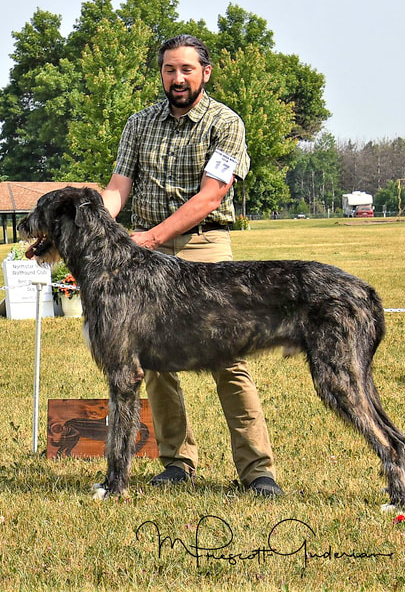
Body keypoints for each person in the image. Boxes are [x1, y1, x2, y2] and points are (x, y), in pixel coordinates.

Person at [99, 35, 282, 497]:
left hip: (204, 249)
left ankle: (258, 471)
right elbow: (119, 188)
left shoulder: (226, 123)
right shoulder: (138, 124)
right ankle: (176, 461)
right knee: (153, 362)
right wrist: (92, 225)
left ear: (205, 72)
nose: (177, 79)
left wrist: (154, 237)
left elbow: (211, 195)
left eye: (186, 70)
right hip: (146, 255)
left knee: (229, 358)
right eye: (168, 70)